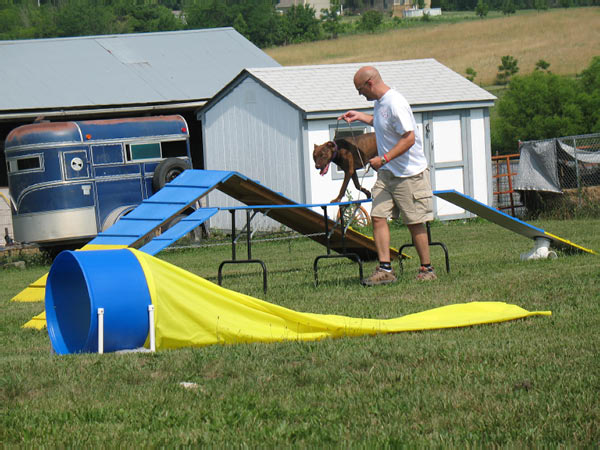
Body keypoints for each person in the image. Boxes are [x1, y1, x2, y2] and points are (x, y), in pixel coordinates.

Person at [339, 66, 436, 284]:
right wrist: (360, 117)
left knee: (414, 221)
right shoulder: (381, 103)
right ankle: (385, 270)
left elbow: (409, 138)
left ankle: (427, 269)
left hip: (409, 174)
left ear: (370, 83)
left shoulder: (395, 102)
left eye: (360, 89)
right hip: (387, 174)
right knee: (378, 216)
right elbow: (382, 124)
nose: (360, 94)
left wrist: (384, 159)